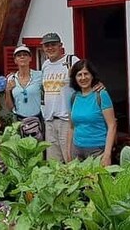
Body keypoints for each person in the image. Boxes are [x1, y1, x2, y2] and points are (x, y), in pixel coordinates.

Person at [66, 59, 116, 165]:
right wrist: (68, 152)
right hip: (77, 151)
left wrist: (107, 155)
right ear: (75, 78)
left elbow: (112, 126)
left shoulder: (101, 95)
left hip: (97, 151)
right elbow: (71, 127)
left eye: (86, 74)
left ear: (92, 76)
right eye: (79, 75)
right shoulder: (74, 97)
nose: (83, 78)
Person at [39, 32, 79, 162]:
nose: (50, 48)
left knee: (70, 160)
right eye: (47, 45)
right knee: (53, 162)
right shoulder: (45, 65)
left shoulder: (71, 61)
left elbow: (87, 78)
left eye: (53, 44)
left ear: (60, 45)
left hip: (67, 120)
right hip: (49, 120)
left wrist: (98, 85)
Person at [4, 45, 44, 139]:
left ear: (30, 58)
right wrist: (7, 90)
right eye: (19, 55)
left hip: (36, 120)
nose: (22, 57)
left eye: (25, 54)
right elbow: (10, 107)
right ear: (15, 60)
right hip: (19, 120)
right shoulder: (11, 79)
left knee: (38, 150)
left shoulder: (39, 75)